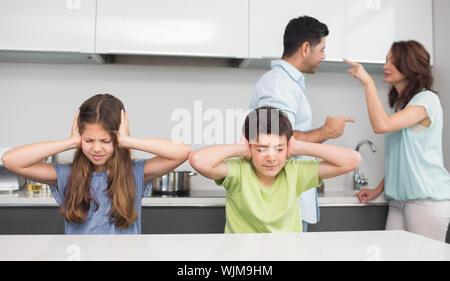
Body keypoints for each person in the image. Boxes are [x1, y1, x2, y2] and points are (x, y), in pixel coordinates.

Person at [1, 94, 190, 234]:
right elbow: (10, 160)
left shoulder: (135, 173)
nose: (96, 148)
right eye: (89, 140)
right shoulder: (67, 174)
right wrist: (70, 142)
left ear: (117, 139)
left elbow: (181, 153)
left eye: (106, 141)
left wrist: (127, 140)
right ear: (80, 137)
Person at [249, 15, 355, 232]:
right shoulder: (279, 84)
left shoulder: (286, 83)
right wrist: (328, 131)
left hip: (287, 201)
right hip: (283, 204)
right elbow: (278, 140)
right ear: (306, 47)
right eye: (322, 49)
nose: (323, 56)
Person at [189, 106, 360, 233]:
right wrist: (240, 148)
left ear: (288, 147)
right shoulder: (239, 172)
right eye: (262, 148)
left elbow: (352, 160)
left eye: (279, 149)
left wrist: (299, 146)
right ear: (249, 147)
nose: (271, 157)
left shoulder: (295, 171)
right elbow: (198, 160)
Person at [345, 40, 450, 242]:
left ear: (411, 65)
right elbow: (401, 158)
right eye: (386, 60)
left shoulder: (426, 100)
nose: (386, 66)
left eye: (393, 61)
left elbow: (381, 125)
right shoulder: (400, 106)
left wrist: (368, 82)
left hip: (426, 201)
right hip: (400, 201)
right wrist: (378, 189)